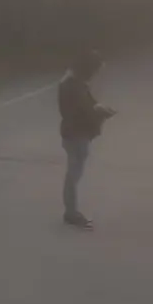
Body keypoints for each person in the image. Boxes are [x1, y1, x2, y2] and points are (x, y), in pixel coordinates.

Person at [58, 51, 115, 230]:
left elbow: (87, 105)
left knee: (73, 174)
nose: (98, 74)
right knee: (73, 175)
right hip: (76, 135)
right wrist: (101, 113)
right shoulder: (74, 87)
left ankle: (70, 211)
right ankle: (71, 213)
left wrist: (98, 108)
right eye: (97, 70)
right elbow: (83, 111)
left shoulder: (74, 84)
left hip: (74, 133)